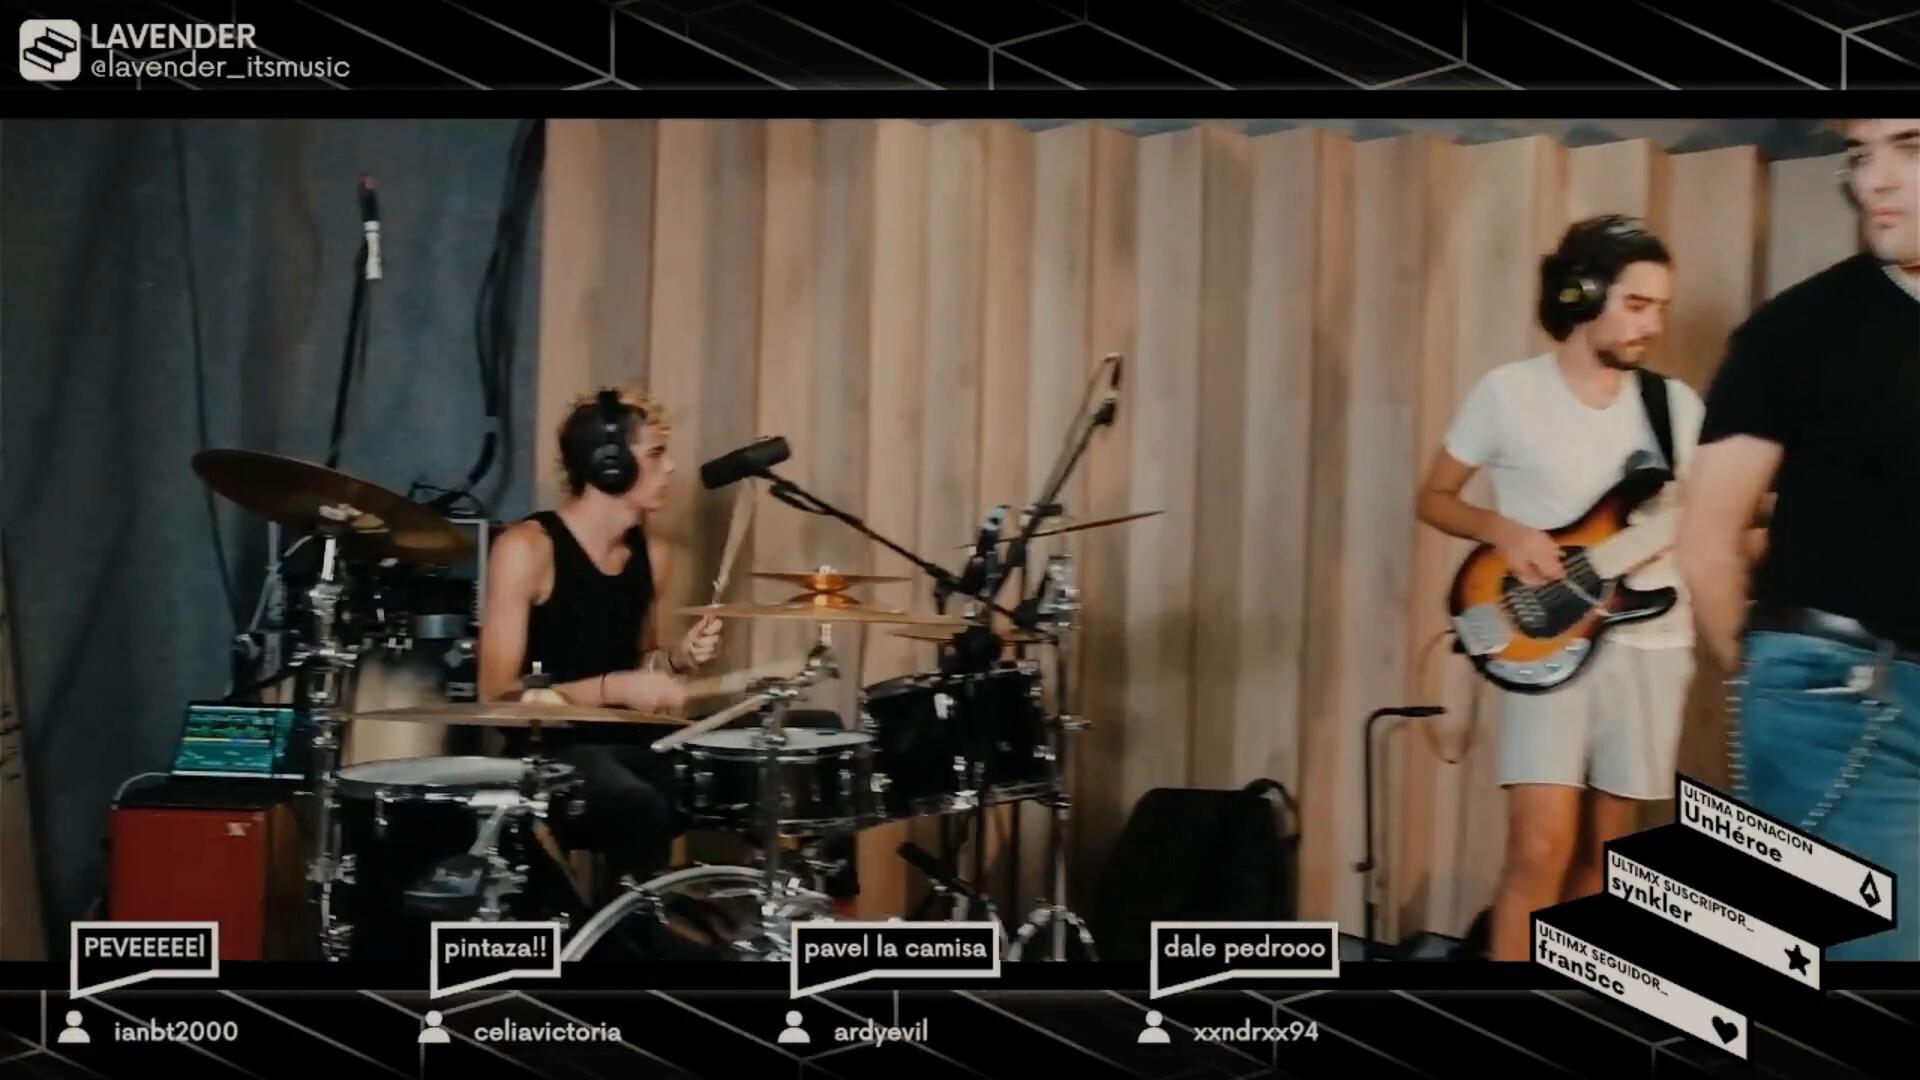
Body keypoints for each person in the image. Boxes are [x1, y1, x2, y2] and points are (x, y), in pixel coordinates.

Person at [1415, 215, 1701, 961]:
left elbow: (1709, 515)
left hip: (1652, 640)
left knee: (1608, 859)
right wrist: (1504, 531)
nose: (1652, 325)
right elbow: (1433, 498)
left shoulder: (1674, 406)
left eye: (1661, 307)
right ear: (1582, 295)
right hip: (1541, 634)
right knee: (1539, 850)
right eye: (1636, 304)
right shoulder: (1508, 393)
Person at [1675, 118, 1920, 961]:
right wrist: (1770, 688)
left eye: (1910, 148)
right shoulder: (1801, 329)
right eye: (1860, 155)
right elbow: (1708, 542)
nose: (1874, 179)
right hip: (1839, 700)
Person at [477, 385, 722, 889]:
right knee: (636, 802)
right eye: (655, 454)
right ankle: (629, 923)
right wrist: (616, 688)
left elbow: (639, 659)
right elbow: (497, 697)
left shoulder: (654, 556)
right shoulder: (527, 548)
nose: (671, 467)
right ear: (609, 465)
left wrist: (674, 659)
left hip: (629, 741)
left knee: (784, 749)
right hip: (550, 750)